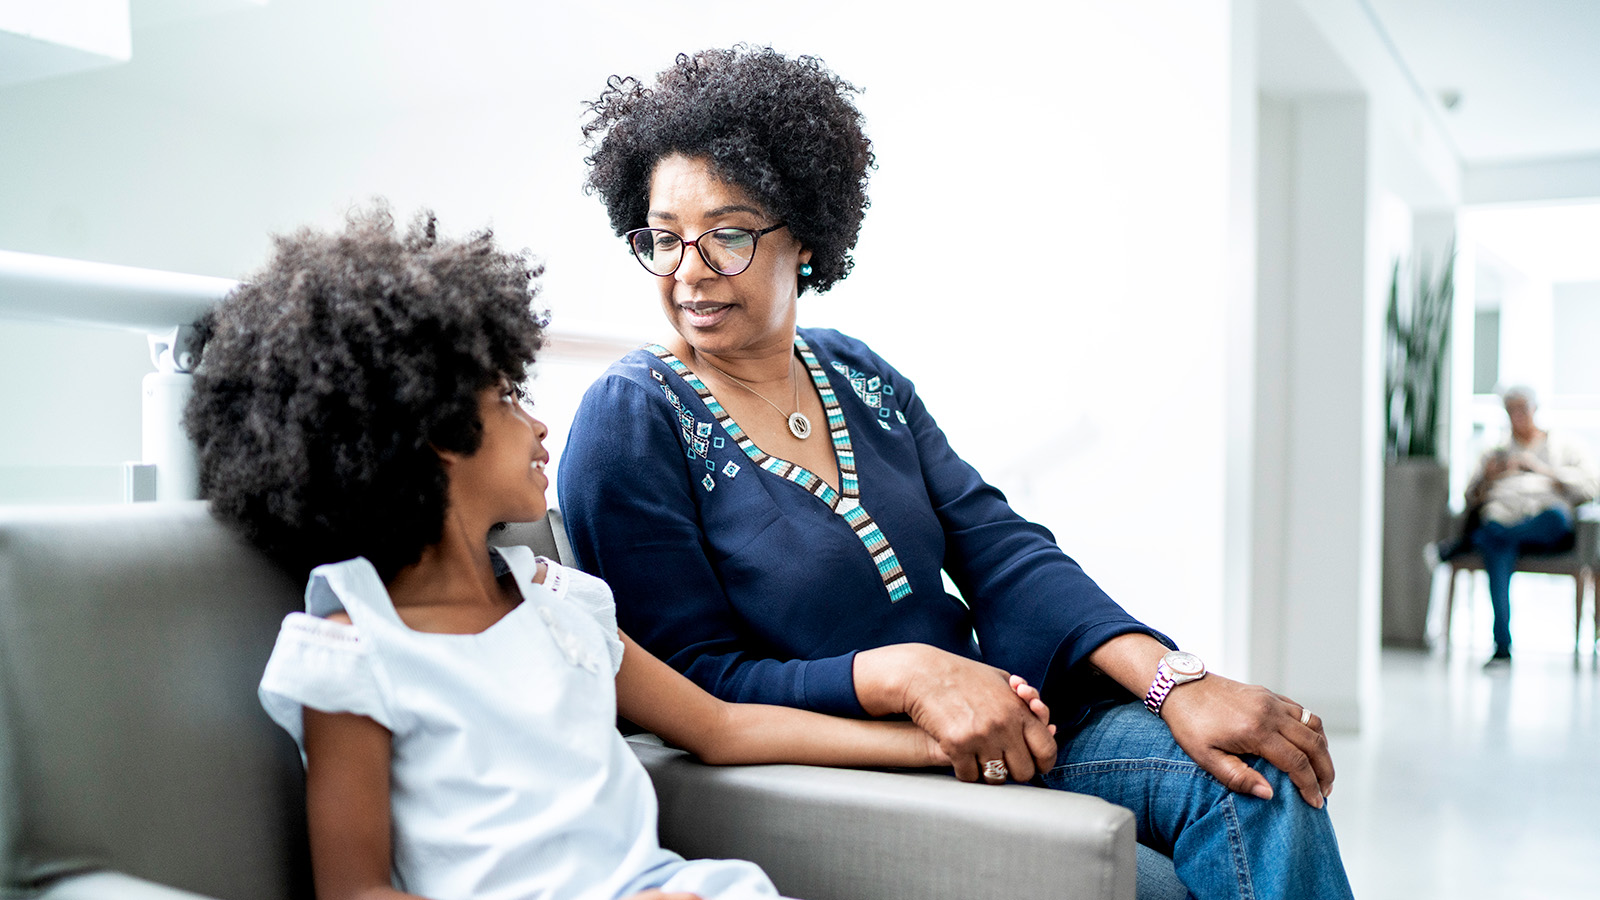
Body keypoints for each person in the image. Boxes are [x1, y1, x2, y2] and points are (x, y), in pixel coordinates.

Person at [560, 46, 1355, 900]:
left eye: (726, 234)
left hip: (1010, 726)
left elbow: (1000, 545)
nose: (688, 272)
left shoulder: (854, 372)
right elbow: (690, 684)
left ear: (805, 237)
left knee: (1266, 778)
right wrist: (908, 679)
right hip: (855, 772)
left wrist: (1175, 681)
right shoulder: (632, 419)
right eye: (665, 238)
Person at [183, 207, 1053, 900]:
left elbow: (720, 727)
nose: (538, 422)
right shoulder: (350, 648)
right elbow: (357, 890)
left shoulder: (556, 599)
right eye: (509, 397)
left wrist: (945, 748)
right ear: (434, 433)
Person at [1453, 385, 1597, 667]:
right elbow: (1470, 499)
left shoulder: (1564, 447)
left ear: (1535, 409)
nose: (1517, 416)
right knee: (1497, 542)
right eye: (1511, 411)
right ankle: (1502, 647)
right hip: (1503, 520)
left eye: (1522, 409)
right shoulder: (1494, 453)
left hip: (1547, 527)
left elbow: (1592, 486)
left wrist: (1541, 469)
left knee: (1513, 531)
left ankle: (1474, 541)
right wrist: (1487, 478)